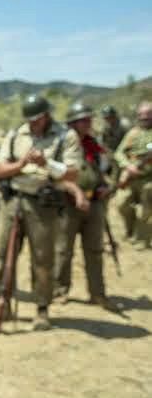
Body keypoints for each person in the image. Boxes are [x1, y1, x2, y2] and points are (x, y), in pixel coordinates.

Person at [0, 94, 87, 331]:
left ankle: (42, 307)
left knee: (43, 259)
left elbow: (73, 174)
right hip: (13, 200)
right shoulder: (16, 135)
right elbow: (0, 169)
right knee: (3, 254)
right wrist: (22, 164)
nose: (31, 124)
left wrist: (47, 164)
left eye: (36, 120)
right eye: (29, 120)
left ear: (45, 116)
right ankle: (3, 301)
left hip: (43, 204)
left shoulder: (66, 136)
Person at [53, 102, 118, 310]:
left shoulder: (96, 146)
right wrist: (73, 191)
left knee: (95, 250)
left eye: (89, 119)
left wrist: (109, 187)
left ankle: (97, 293)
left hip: (95, 203)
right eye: (83, 120)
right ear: (72, 123)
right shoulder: (60, 146)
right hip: (67, 204)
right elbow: (56, 175)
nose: (88, 123)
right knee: (63, 250)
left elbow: (112, 168)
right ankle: (59, 290)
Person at [113, 101, 152, 248]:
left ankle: (142, 238)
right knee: (122, 204)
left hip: (149, 178)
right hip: (131, 176)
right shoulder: (132, 133)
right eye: (141, 114)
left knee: (146, 207)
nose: (144, 117)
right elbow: (119, 153)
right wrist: (128, 166)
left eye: (148, 114)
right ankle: (130, 230)